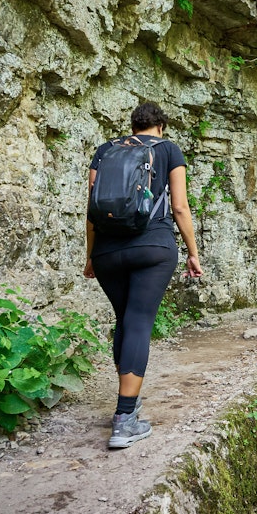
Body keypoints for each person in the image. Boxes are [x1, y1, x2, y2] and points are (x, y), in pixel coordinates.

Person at [84, 101, 203, 448]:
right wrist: (193, 253)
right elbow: (179, 206)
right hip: (152, 249)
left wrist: (91, 255)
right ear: (161, 127)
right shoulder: (168, 150)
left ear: (133, 125)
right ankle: (124, 420)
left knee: (125, 320)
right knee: (138, 322)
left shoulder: (105, 151)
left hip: (107, 252)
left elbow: (92, 211)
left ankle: (128, 405)